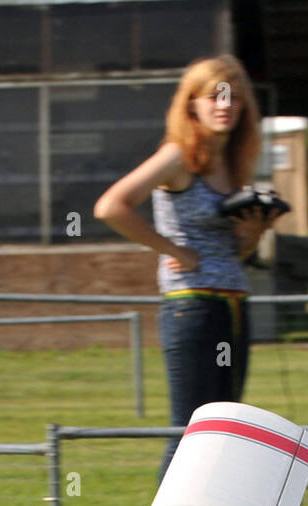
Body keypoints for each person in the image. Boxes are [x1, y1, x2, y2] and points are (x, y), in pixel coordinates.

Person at [93, 56, 280, 480]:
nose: (224, 106)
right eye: (214, 96)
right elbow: (110, 206)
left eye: (233, 98)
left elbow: (239, 251)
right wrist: (171, 248)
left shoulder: (234, 165)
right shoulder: (178, 156)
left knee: (225, 432)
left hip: (233, 303)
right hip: (191, 306)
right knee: (191, 432)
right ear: (191, 104)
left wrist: (254, 231)